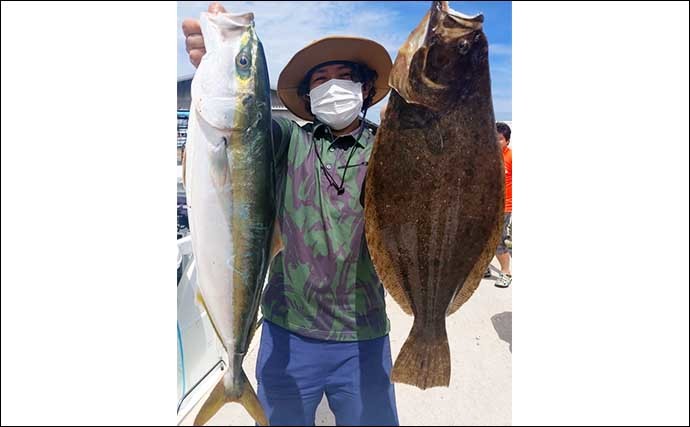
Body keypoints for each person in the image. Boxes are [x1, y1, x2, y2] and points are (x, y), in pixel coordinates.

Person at [183, 3, 399, 425]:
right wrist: (216, 64)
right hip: (287, 334)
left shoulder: (388, 150)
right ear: (307, 96)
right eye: (320, 79)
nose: (332, 86)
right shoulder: (288, 140)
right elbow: (246, 130)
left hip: (364, 336)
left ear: (367, 88)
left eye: (345, 77)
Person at [494, 122, 512, 288]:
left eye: (499, 139)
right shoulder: (487, 156)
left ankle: (506, 272)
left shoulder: (511, 157)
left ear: (506, 141)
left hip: (504, 207)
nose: (495, 141)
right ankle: (484, 268)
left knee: (498, 241)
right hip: (487, 208)